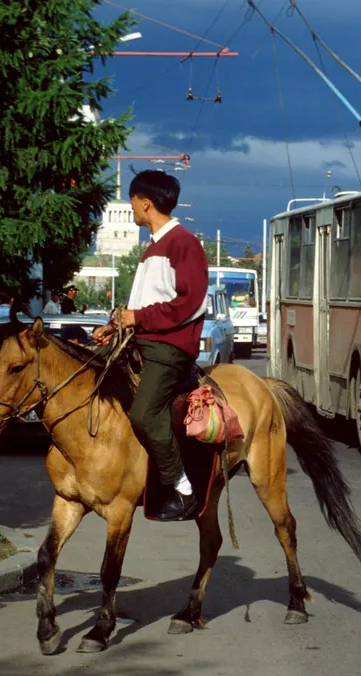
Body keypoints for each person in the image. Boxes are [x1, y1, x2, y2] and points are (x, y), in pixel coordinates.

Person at [93, 170, 208, 522]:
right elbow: (142, 304)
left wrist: (137, 319)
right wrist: (115, 326)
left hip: (168, 350)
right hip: (142, 343)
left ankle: (183, 488)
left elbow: (190, 303)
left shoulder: (183, 243)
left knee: (144, 414)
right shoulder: (153, 248)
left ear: (145, 202)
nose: (131, 210)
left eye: (132, 203)